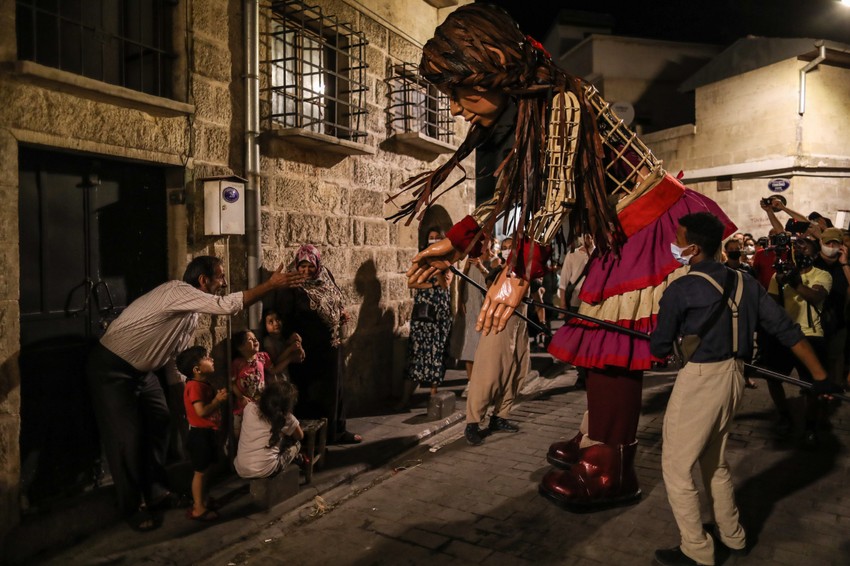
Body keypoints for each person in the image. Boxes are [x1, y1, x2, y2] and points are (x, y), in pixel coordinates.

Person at [392, 3, 736, 511]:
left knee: (611, 349)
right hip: (621, 230)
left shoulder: (560, 102)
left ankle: (612, 465)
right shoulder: (531, 106)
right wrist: (457, 240)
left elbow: (552, 197)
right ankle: (596, 437)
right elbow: (513, 190)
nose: (459, 110)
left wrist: (518, 275)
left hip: (649, 222)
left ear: (491, 66)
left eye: (462, 93)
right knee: (604, 350)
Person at [649, 212, 837, 566]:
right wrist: (819, 375)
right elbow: (787, 330)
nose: (675, 246)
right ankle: (733, 535)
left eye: (679, 239)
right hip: (735, 377)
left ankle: (696, 549)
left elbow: (658, 348)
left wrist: (662, 340)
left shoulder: (682, 288)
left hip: (701, 380)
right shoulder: (745, 282)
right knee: (714, 463)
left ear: (693, 247)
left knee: (676, 468)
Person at [86, 255, 304, 531]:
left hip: (144, 372)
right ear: (203, 280)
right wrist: (270, 285)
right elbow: (226, 305)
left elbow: (175, 357)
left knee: (159, 423)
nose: (224, 282)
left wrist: (183, 403)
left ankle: (156, 491)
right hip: (112, 369)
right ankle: (132, 506)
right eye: (220, 277)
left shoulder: (190, 314)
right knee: (126, 439)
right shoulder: (177, 291)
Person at [274, 244, 361, 444]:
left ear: (318, 265)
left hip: (331, 345)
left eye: (310, 266)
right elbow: (285, 319)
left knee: (335, 390)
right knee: (312, 394)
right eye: (302, 267)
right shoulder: (293, 287)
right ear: (296, 265)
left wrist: (342, 313)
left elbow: (336, 298)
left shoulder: (326, 275)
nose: (305, 271)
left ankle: (337, 432)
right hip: (309, 351)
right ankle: (316, 440)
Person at [765, 236, 833, 446]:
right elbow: (772, 306)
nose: (800, 250)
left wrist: (794, 282)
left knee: (813, 385)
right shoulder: (779, 277)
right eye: (797, 247)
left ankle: (810, 426)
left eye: (805, 247)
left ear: (814, 253)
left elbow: (815, 297)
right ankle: (785, 415)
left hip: (811, 335)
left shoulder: (823, 275)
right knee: (773, 377)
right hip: (785, 334)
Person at [464, 263, 529, 445]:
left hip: (520, 319)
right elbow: (493, 281)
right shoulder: (508, 265)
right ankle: (473, 422)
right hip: (500, 318)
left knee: (516, 370)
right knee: (489, 372)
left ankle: (500, 416)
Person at [398, 228, 454, 407]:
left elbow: (446, 285)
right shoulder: (422, 260)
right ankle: (405, 399)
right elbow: (411, 282)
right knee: (416, 354)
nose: (434, 240)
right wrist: (430, 284)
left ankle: (433, 399)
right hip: (422, 315)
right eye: (431, 238)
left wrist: (436, 268)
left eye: (438, 237)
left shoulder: (447, 263)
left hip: (439, 317)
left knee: (436, 356)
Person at [176, 346, 227, 522]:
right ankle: (198, 507)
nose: (211, 359)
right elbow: (201, 411)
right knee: (200, 472)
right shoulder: (195, 386)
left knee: (207, 469)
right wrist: (217, 400)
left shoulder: (202, 384)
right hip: (200, 435)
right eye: (206, 358)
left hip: (207, 433)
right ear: (196, 370)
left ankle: (203, 500)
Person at [234, 380, 305, 479]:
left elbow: (247, 404)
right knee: (297, 444)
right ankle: (294, 459)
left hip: (241, 468)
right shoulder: (287, 418)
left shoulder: (250, 408)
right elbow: (300, 436)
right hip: (266, 470)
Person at [447, 236, 492, 388]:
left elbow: (493, 283)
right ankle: (471, 381)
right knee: (469, 345)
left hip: (483, 306)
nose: (487, 252)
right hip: (470, 304)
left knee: (483, 346)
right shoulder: (470, 262)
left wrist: (482, 267)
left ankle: (483, 380)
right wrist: (460, 301)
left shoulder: (493, 263)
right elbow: (462, 281)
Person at [812, 227, 849, 388]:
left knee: (836, 356)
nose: (832, 246)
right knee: (817, 358)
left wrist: (845, 263)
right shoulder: (812, 262)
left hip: (839, 320)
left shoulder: (845, 265)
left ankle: (835, 387)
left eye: (836, 243)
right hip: (815, 322)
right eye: (829, 243)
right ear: (821, 242)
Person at [231, 330, 271, 438]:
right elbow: (232, 383)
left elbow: (274, 369)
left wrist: (290, 354)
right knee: (240, 435)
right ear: (241, 347)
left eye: (255, 337)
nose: (255, 339)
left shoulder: (262, 357)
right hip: (243, 407)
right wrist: (241, 397)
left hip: (260, 406)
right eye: (250, 339)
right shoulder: (237, 363)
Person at [261, 308, 305, 382]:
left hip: (285, 378)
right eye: (271, 322)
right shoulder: (268, 341)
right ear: (265, 326)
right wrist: (290, 349)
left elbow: (301, 357)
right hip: (275, 380)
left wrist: (298, 343)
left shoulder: (283, 339)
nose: (276, 324)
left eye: (277, 320)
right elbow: (275, 362)